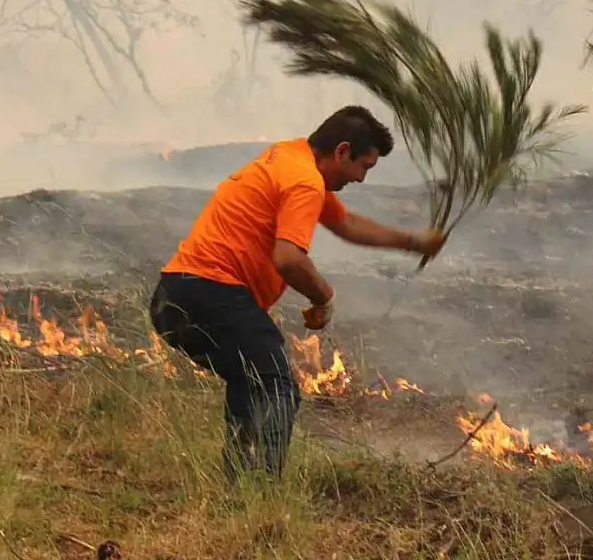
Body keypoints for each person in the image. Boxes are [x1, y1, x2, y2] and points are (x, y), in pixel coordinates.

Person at [148, 105, 445, 480]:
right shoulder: (305, 180)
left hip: (172, 295)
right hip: (212, 292)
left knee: (252, 378)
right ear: (341, 151)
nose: (361, 179)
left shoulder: (288, 156)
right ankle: (260, 490)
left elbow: (346, 223)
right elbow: (288, 259)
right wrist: (324, 297)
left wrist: (412, 242)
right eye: (363, 167)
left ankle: (240, 485)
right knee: (276, 384)